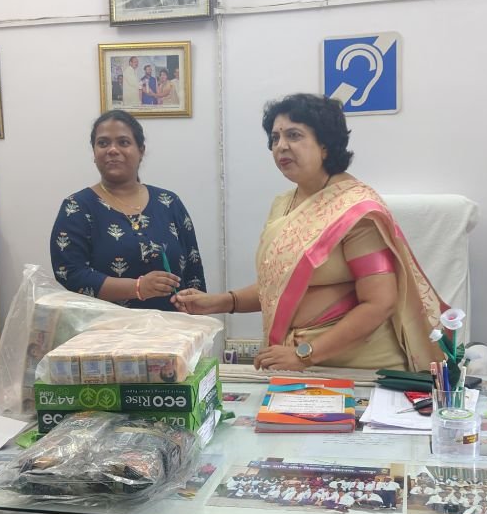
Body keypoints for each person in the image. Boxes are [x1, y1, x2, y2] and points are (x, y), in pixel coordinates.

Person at [173, 93, 449, 371]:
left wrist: (304, 354)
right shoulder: (283, 204)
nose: (281, 146)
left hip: (356, 368)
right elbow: (278, 287)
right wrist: (219, 302)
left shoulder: (354, 210)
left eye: (294, 135)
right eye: (275, 138)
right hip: (295, 363)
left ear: (325, 145)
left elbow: (380, 303)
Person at [50, 110, 205, 311]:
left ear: (141, 151)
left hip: (172, 326)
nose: (112, 150)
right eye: (103, 143)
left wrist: (197, 314)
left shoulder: (169, 202)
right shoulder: (76, 208)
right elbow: (70, 274)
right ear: (94, 153)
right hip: (105, 327)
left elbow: (193, 270)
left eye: (123, 142)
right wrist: (137, 287)